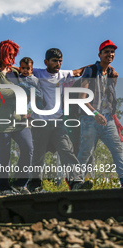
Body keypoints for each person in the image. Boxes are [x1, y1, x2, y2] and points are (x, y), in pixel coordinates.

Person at [26, 48, 93, 193]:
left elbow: (78, 72)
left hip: (57, 121)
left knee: (67, 151)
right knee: (38, 154)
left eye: (60, 61)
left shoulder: (63, 74)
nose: (58, 64)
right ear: (46, 62)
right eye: (55, 61)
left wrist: (101, 65)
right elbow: (21, 69)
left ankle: (76, 182)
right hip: (40, 122)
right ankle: (34, 184)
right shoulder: (38, 72)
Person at [0, 40, 33, 195]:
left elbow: (29, 76)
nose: (11, 58)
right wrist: (19, 90)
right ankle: (4, 187)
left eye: (13, 55)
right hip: (0, 121)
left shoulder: (15, 71)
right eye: (9, 54)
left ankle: (20, 183)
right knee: (5, 154)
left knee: (28, 148)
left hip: (19, 120)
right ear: (1, 54)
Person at [78, 40, 123, 188]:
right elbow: (81, 99)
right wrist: (95, 113)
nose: (110, 54)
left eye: (112, 52)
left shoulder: (112, 74)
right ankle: (76, 183)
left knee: (118, 150)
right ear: (100, 54)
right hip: (89, 119)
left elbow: (108, 100)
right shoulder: (90, 71)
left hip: (107, 120)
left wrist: (115, 120)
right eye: (106, 52)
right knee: (86, 153)